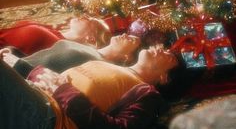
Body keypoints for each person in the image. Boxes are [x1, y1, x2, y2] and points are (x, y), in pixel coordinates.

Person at [0, 45, 178, 129]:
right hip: (33, 95)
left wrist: (63, 92)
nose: (161, 47)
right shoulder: (110, 64)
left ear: (164, 78)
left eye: (169, 56)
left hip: (48, 118)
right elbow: (53, 79)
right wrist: (18, 65)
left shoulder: (148, 94)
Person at [0, 33, 141, 77]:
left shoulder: (100, 66)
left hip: (16, 75)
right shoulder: (90, 48)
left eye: (132, 40)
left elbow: (48, 75)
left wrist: (14, 62)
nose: (125, 35)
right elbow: (46, 57)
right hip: (13, 64)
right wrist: (14, 53)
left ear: (127, 57)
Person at [0, 15, 112, 55]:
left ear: (91, 39)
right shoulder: (54, 32)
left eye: (90, 21)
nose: (85, 16)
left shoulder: (59, 46)